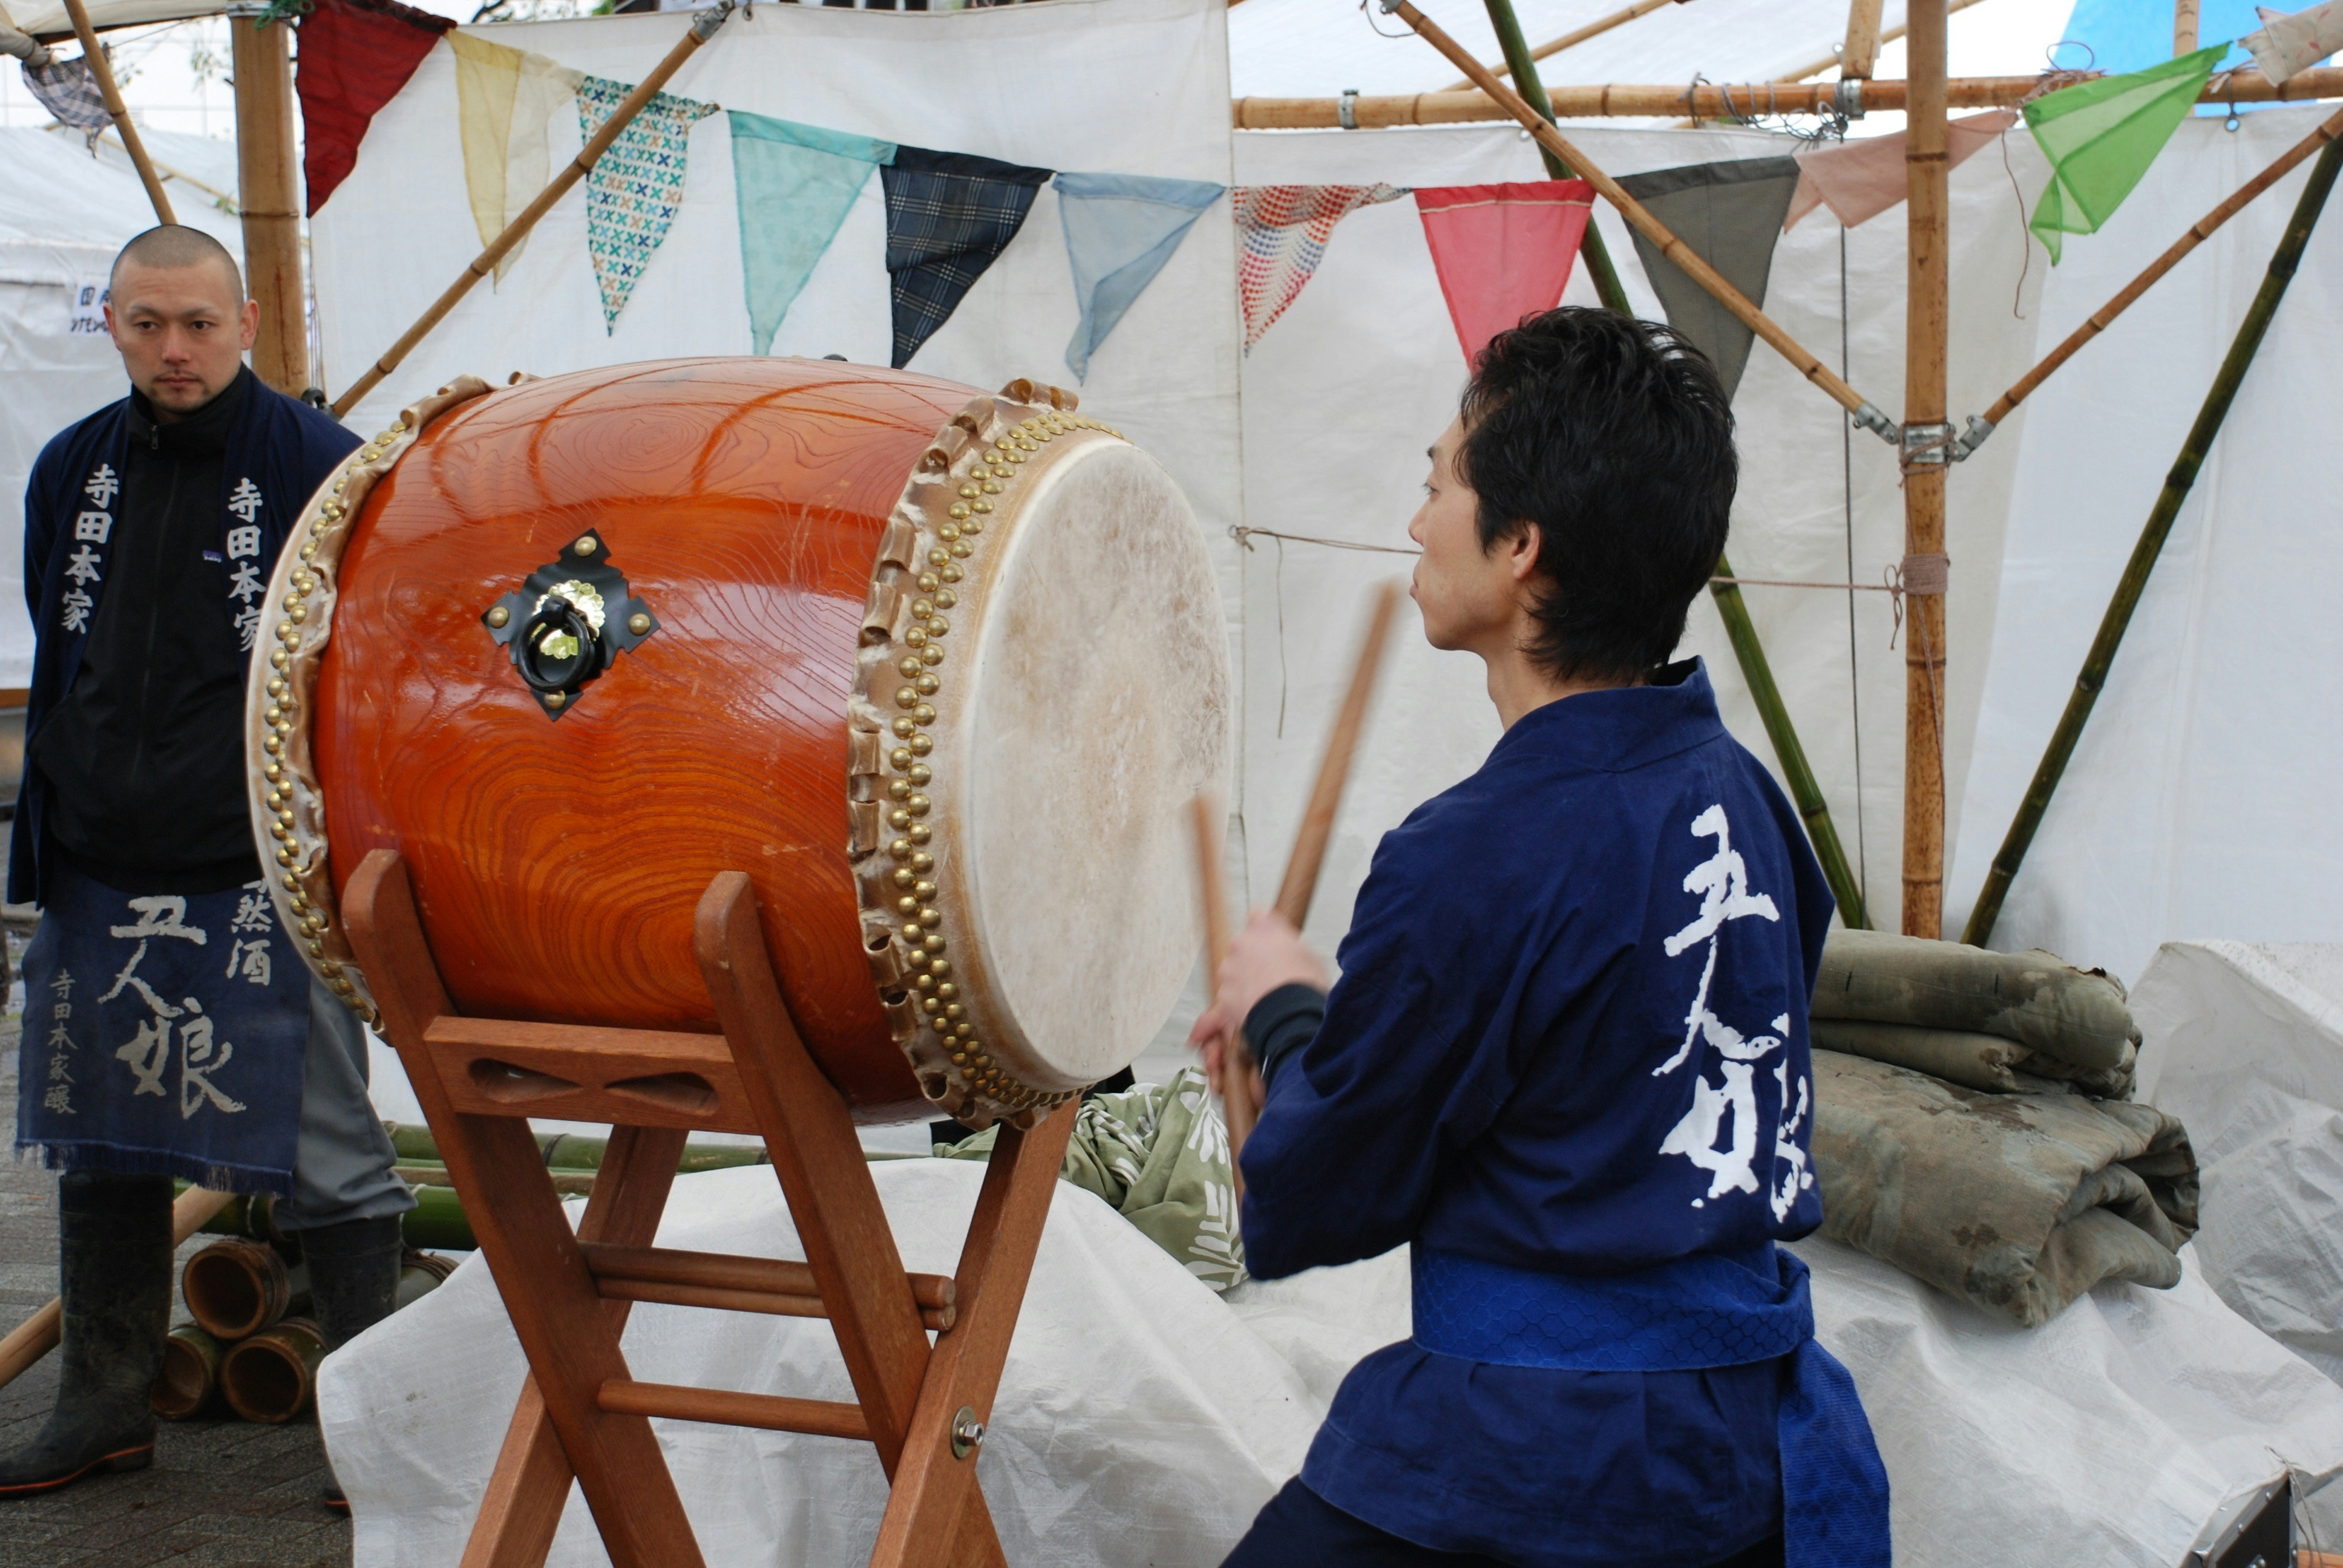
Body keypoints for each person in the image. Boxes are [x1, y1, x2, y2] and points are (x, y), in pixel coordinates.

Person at [1192, 308, 1890, 1568]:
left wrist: (1285, 1018)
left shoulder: (1474, 850)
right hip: (1760, 1451)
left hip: (1552, 1457)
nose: (1416, 521)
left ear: (1521, 546)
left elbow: (1319, 1189)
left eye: (1439, 482)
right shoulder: (1746, 796)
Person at [2, 226, 413, 1505]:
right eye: (144, 325)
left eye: (197, 324)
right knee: (103, 1135)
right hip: (101, 859)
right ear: (112, 325)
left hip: (256, 868)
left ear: (244, 321)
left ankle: (371, 1428)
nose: (172, 350)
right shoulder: (73, 466)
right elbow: (57, 647)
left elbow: (367, 669)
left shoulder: (319, 467)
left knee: (332, 1149)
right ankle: (104, 1403)